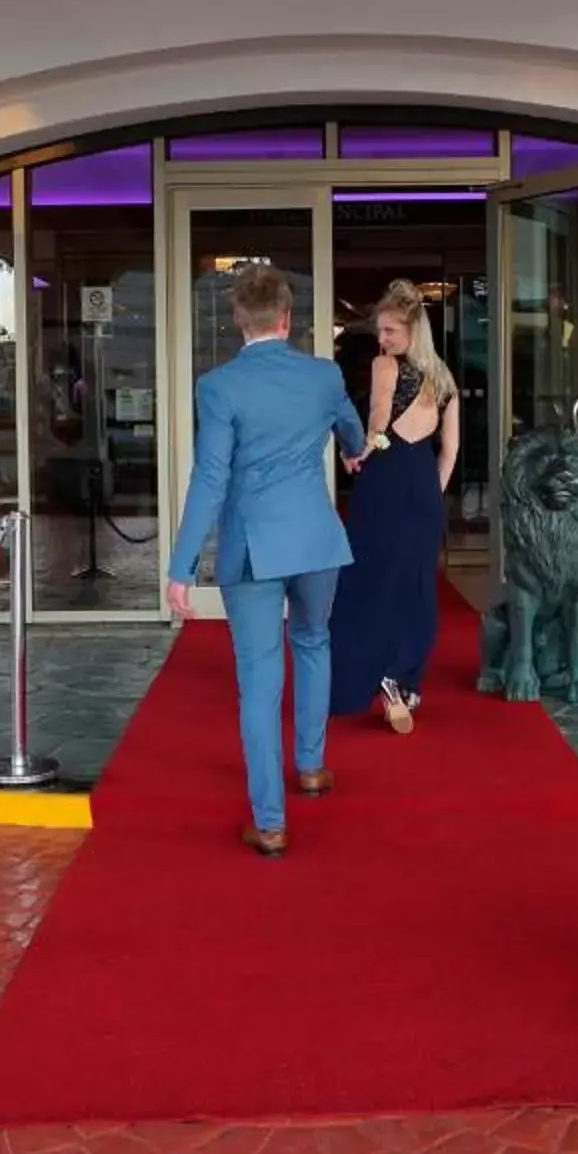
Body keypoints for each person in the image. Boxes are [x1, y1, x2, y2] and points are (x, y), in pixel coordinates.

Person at [165, 264, 370, 857]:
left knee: (258, 679)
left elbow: (210, 477)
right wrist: (355, 453)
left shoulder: (219, 386)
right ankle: (310, 766)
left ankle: (271, 822)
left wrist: (182, 567)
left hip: (253, 545)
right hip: (316, 540)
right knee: (312, 642)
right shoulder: (324, 375)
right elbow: (352, 435)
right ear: (286, 319)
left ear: (238, 320)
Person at [330, 281, 460, 732]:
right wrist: (432, 493)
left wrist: (364, 449)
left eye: (390, 331)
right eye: (381, 332)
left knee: (368, 579)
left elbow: (380, 414)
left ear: (411, 331)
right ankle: (404, 681)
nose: (382, 339)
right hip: (423, 488)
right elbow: (450, 450)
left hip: (384, 480)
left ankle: (366, 679)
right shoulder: (445, 381)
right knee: (418, 586)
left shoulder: (384, 366)